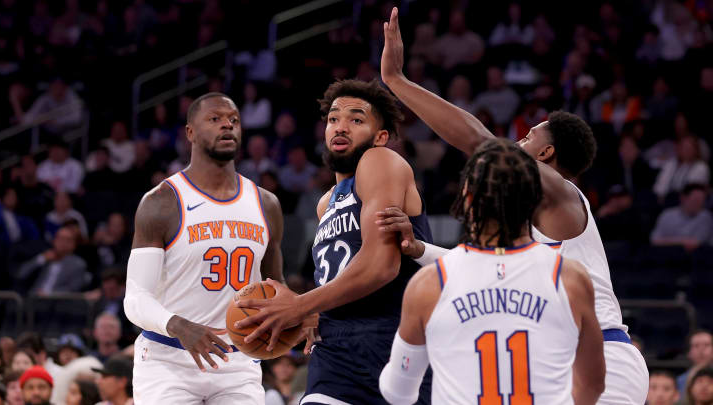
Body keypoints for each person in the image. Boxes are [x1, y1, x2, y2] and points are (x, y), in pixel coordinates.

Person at [378, 7, 648, 404]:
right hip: (553, 356)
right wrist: (419, 250)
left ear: (547, 153)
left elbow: (479, 142)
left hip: (603, 358)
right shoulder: (519, 224)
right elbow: (472, 268)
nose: (517, 142)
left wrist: (397, 81)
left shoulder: (564, 199)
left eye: (528, 137)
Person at [235, 79, 433, 404]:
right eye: (333, 119)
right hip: (335, 349)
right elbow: (337, 272)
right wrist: (317, 311)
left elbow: (380, 266)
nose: (341, 127)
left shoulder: (380, 161)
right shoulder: (324, 203)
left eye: (356, 119)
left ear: (380, 136)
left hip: (393, 336)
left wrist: (301, 305)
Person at [378, 138, 605, 404]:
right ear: (533, 199)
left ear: (466, 197)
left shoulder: (429, 283)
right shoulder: (570, 278)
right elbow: (593, 384)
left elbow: (397, 393)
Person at [123, 92, 313, 404]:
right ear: (190, 133)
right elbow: (135, 299)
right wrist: (179, 326)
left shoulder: (266, 203)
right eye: (215, 119)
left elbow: (273, 286)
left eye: (234, 120)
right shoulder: (162, 202)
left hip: (237, 360)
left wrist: (295, 315)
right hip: (168, 359)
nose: (227, 125)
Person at [15, 226, 88, 295]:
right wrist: (41, 259)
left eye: (67, 240)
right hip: (33, 300)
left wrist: (49, 294)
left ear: (73, 244)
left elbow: (73, 290)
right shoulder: (44, 258)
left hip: (57, 302)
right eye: (59, 238)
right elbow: (21, 274)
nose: (62, 242)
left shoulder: (78, 264)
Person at [651, 184, 713, 251]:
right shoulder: (667, 214)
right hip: (665, 254)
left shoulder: (706, 217)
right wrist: (683, 241)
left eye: (702, 201)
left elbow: (695, 243)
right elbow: (655, 240)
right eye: (696, 200)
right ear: (683, 198)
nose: (699, 204)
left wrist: (666, 241)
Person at [678, 331, 713, 395]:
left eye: (706, 345)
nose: (701, 349)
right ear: (689, 353)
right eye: (696, 346)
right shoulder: (680, 382)